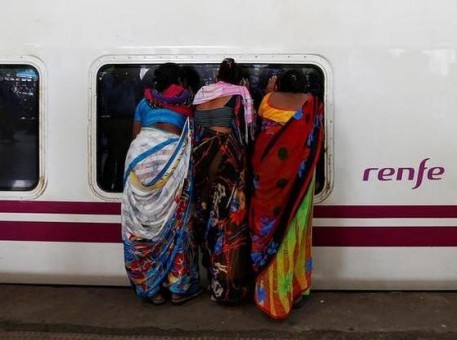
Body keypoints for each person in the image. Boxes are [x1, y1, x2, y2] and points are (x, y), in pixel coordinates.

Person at [121, 63, 202, 305]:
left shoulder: (144, 103)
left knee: (141, 221)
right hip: (171, 156)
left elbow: (135, 135)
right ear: (179, 80)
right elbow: (193, 134)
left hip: (139, 155)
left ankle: (151, 289)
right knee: (176, 221)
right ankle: (178, 287)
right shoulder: (187, 101)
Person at [249, 69, 324, 319]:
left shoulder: (267, 102)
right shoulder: (312, 105)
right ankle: (293, 289)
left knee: (268, 230)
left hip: (268, 177)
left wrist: (270, 92)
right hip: (299, 182)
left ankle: (268, 291)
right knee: (294, 232)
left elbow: (261, 127)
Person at [191, 58, 256, 304]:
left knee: (206, 219)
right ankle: (226, 288)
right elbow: (244, 134)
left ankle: (211, 277)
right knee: (227, 225)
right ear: (239, 78)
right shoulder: (239, 96)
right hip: (225, 165)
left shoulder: (201, 95)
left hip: (200, 162)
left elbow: (196, 131)